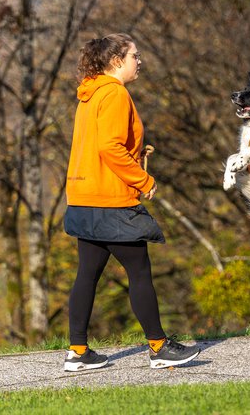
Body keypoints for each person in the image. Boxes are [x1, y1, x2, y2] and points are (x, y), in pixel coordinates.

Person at [63, 33, 200, 372]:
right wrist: (144, 180)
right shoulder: (114, 93)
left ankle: (77, 352)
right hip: (110, 200)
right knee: (139, 271)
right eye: (135, 56)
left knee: (87, 274)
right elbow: (110, 147)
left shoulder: (89, 95)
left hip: (83, 197)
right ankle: (158, 347)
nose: (140, 62)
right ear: (117, 61)